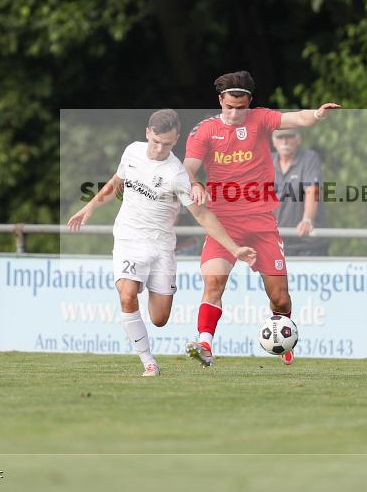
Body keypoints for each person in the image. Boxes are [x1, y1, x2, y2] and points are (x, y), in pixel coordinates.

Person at [67, 109, 256, 377]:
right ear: (147, 133)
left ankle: (145, 310)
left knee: (159, 319)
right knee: (128, 295)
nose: (159, 148)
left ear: (176, 139)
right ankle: (148, 362)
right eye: (156, 141)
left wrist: (234, 248)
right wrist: (90, 207)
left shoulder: (177, 174)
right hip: (128, 240)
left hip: (160, 248)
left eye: (167, 144)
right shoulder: (132, 151)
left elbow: (202, 214)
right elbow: (115, 183)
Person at [183, 71, 340, 367]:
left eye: (241, 108)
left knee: (280, 298)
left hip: (262, 224)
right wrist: (193, 182)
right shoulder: (203, 131)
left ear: (249, 103)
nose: (234, 114)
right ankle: (204, 344)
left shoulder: (261, 119)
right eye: (229, 107)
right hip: (223, 224)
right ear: (220, 101)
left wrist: (317, 115)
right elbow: (188, 167)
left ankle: (284, 335)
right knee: (214, 283)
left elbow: (297, 119)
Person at [271, 128, 329, 256]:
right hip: (277, 245)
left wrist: (307, 219)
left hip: (309, 246)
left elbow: (312, 190)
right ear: (273, 141)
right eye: (280, 137)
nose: (284, 141)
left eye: (289, 136)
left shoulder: (309, 158)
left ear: (298, 139)